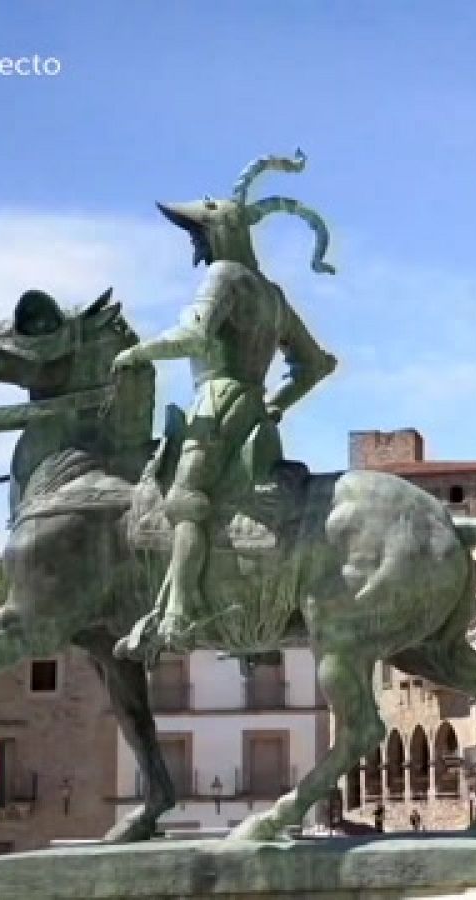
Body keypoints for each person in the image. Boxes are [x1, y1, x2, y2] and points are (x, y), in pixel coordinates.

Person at [113, 151, 338, 661]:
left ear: (220, 232)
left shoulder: (224, 277)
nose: (196, 244)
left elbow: (194, 336)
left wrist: (137, 353)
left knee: (185, 500)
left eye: (199, 233)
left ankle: (178, 613)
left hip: (215, 403)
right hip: (252, 407)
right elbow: (316, 364)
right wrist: (273, 405)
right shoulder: (273, 295)